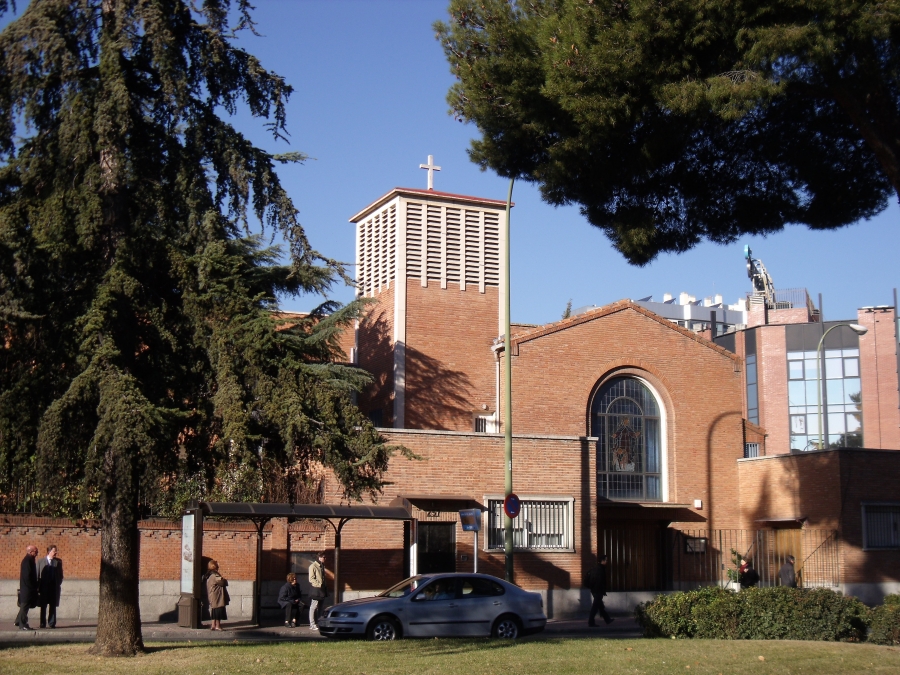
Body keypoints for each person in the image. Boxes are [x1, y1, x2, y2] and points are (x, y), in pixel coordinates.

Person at [37, 544, 64, 629]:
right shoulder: (40, 561)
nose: (55, 553)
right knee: (43, 606)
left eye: (56, 551)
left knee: (53, 605)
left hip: (53, 587)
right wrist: (38, 587)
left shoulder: (58, 562)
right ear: (49, 551)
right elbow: (37, 574)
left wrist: (58, 583)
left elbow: (60, 575)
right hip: (44, 587)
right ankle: (42, 623)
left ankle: (52, 623)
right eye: (54, 551)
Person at [585, 554, 614, 627]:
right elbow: (600, 582)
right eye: (606, 560)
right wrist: (601, 591)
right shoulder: (600, 570)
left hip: (595, 590)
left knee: (600, 606)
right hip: (598, 591)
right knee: (595, 607)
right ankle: (591, 622)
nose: (607, 562)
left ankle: (607, 619)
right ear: (603, 561)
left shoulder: (597, 568)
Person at [15, 545, 38, 631]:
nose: (36, 553)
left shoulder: (29, 560)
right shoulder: (27, 561)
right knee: (25, 606)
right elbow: (27, 576)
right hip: (27, 588)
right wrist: (32, 586)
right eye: (35, 551)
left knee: (24, 606)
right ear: (30, 552)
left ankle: (18, 621)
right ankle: (23, 624)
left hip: (27, 588)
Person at [205, 560, 229, 631]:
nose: (218, 566)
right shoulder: (215, 575)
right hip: (217, 596)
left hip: (212, 595)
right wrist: (225, 580)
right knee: (218, 610)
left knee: (214, 610)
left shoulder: (209, 574)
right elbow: (222, 582)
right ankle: (217, 626)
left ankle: (213, 625)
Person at [308, 551, 328, 631]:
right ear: (319, 557)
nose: (325, 559)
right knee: (313, 606)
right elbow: (311, 578)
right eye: (324, 557)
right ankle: (312, 624)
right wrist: (318, 584)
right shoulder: (313, 566)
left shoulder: (322, 566)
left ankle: (319, 622)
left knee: (321, 607)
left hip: (322, 589)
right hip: (316, 589)